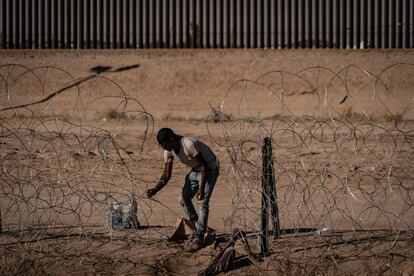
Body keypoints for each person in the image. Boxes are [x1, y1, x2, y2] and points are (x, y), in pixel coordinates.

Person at [147, 128, 220, 252]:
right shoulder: (168, 150)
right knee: (183, 198)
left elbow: (204, 166)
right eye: (162, 146)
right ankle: (196, 225)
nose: (164, 148)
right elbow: (166, 175)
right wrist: (155, 189)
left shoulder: (188, 144)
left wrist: (201, 190)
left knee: (202, 203)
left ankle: (199, 237)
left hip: (210, 169)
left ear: (171, 140)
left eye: (165, 145)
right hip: (196, 170)